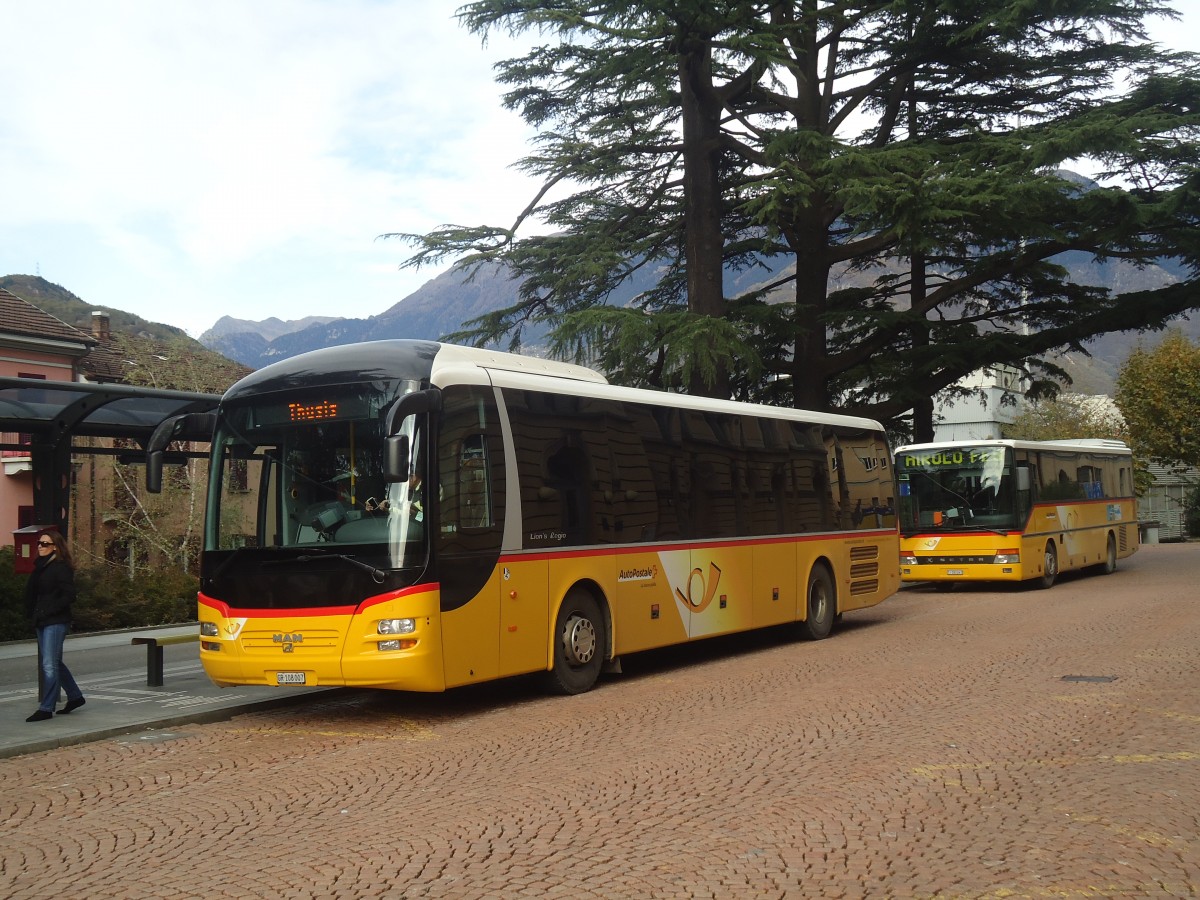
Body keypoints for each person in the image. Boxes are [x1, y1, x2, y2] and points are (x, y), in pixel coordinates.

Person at [24, 531, 85, 722]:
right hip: (42, 620)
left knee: (49, 664)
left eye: (45, 543)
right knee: (54, 662)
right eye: (39, 543)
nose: (40, 546)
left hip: (55, 620)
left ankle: (46, 708)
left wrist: (48, 610)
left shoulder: (60, 568)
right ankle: (75, 696)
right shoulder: (40, 567)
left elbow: (70, 595)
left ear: (55, 547)